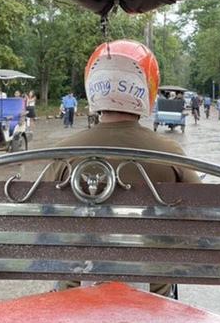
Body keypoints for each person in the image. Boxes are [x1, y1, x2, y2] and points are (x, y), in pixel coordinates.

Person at [50, 39, 201, 296]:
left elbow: (49, 224)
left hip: (76, 289)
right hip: (152, 289)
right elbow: (202, 219)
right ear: (147, 88)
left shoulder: (64, 153)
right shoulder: (170, 153)